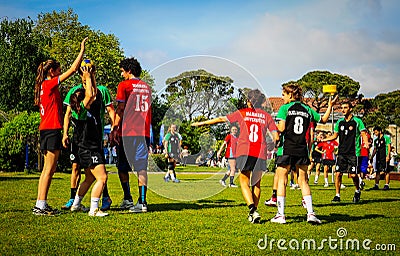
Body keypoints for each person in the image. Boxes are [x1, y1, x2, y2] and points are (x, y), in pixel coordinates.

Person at [192, 89, 279, 224]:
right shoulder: (266, 116)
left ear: (249, 101)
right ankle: (254, 210)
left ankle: (252, 210)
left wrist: (202, 123)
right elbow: (276, 136)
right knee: (256, 184)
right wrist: (272, 144)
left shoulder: (242, 113)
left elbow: (221, 119)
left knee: (244, 181)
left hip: (245, 151)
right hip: (260, 152)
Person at [32, 37, 87, 216]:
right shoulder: (49, 84)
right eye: (58, 70)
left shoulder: (42, 85)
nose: (60, 72)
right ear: (52, 71)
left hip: (45, 129)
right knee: (49, 169)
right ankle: (40, 205)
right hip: (51, 129)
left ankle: (41, 203)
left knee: (48, 169)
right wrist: (81, 50)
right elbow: (72, 69)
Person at [271, 83, 336, 224]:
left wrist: (271, 124)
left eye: (283, 95)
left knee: (282, 180)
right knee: (303, 181)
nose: (282, 98)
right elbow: (323, 120)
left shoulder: (284, 109)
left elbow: (281, 128)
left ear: (290, 95)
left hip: (286, 148)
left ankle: (280, 215)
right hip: (302, 149)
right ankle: (311, 214)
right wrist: (330, 105)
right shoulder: (308, 109)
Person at [61, 59, 115, 211]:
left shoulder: (85, 104)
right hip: (88, 146)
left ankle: (76, 204)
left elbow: (93, 92)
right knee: (102, 177)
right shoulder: (82, 109)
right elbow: (90, 94)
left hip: (90, 144)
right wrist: (88, 76)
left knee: (90, 177)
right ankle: (94, 209)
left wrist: (91, 75)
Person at [111, 57, 152, 213]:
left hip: (128, 132)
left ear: (128, 70)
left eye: (122, 71)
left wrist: (115, 127)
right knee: (142, 168)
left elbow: (120, 108)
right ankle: (142, 202)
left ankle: (127, 198)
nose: (122, 74)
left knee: (122, 166)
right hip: (144, 132)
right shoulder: (147, 87)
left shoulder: (124, 85)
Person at [323, 100, 368, 203]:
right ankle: (337, 195)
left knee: (353, 175)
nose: (343, 110)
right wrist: (325, 139)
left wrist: (365, 143)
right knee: (338, 173)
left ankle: (357, 191)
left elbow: (363, 133)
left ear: (350, 109)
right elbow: (335, 136)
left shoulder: (357, 121)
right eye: (342, 108)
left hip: (353, 152)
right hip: (341, 152)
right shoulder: (339, 122)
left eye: (345, 107)